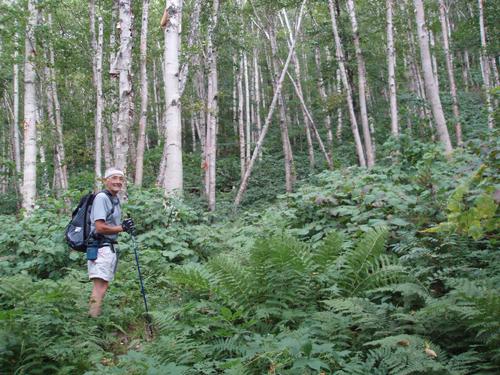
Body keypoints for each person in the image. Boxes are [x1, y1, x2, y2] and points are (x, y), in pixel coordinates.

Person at [88, 167, 135, 317]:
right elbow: (100, 227)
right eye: (114, 178)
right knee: (99, 287)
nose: (118, 182)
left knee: (103, 286)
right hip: (100, 247)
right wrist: (122, 228)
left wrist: (122, 227)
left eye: (121, 179)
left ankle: (94, 319)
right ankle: (91, 324)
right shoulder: (102, 198)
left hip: (108, 248)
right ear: (106, 180)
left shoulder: (114, 199)